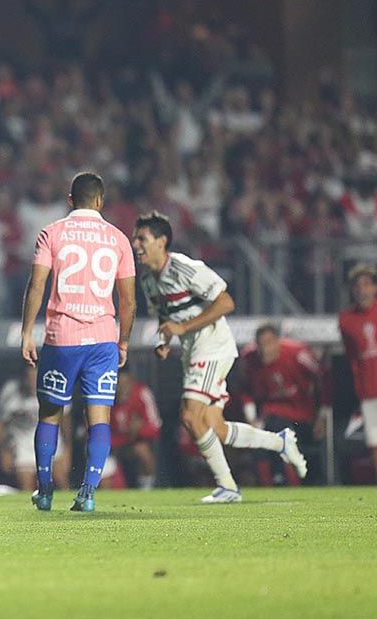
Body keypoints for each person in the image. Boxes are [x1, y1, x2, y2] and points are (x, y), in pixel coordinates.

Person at [132, 211, 308, 502]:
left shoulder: (185, 268)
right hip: (192, 348)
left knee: (189, 415)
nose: (136, 244)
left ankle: (227, 486)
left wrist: (182, 328)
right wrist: (164, 340)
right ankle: (280, 441)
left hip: (212, 343)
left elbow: (225, 302)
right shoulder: (149, 281)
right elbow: (167, 320)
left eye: (142, 238)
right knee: (216, 428)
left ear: (162, 241)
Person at [20, 172, 137, 513]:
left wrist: (27, 332)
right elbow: (128, 300)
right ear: (100, 201)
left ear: (70, 200)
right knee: (98, 418)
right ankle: (87, 492)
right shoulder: (118, 239)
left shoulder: (51, 232)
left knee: (51, 415)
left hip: (61, 338)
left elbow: (37, 285)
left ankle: (44, 491)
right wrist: (123, 342)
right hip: (102, 340)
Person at [236, 323, 328, 485]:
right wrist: (251, 418)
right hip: (273, 415)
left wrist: (322, 415)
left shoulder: (298, 354)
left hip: (303, 414)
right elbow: (246, 390)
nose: (265, 349)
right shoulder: (249, 359)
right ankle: (279, 479)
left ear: (278, 341)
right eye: (261, 344)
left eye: (269, 343)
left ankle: (309, 480)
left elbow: (323, 379)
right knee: (273, 428)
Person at [337, 264, 377, 485]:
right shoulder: (346, 319)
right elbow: (352, 355)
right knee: (376, 448)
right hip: (370, 394)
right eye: (357, 285)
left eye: (366, 284)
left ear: (375, 287)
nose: (362, 289)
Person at [109, 370, 162, 490]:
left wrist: (139, 429)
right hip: (114, 444)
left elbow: (155, 427)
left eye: (125, 384)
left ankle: (145, 490)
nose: (122, 389)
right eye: (118, 385)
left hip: (135, 441)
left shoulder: (142, 393)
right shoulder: (105, 398)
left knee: (142, 450)